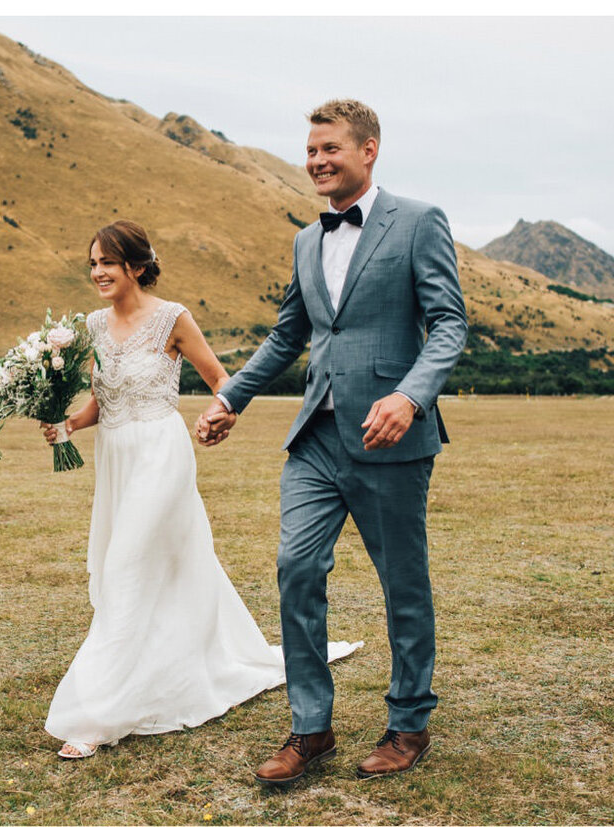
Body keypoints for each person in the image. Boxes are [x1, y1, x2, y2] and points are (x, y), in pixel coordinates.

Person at [196, 99, 465, 786]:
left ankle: (409, 722)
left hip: (390, 437)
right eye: (310, 150)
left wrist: (409, 395)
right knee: (295, 566)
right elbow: (290, 334)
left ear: (368, 149)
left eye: (330, 149)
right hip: (316, 435)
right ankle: (310, 727)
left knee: (402, 583)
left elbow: (448, 325)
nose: (316, 161)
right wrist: (232, 396)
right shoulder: (304, 239)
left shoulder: (420, 222)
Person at [37, 221, 361, 760]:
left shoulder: (172, 318)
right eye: (92, 263)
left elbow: (220, 379)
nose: (97, 272)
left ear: (136, 267)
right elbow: (103, 399)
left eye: (107, 263)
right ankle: (166, 664)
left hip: (161, 454)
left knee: (124, 568)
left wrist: (219, 414)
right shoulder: (92, 325)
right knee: (155, 568)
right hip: (116, 458)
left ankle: (94, 715)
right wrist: (66, 426)